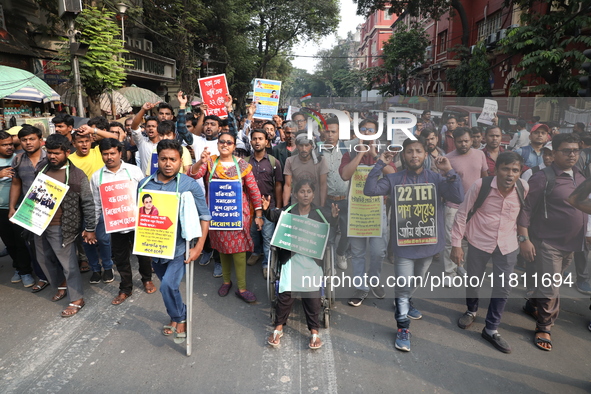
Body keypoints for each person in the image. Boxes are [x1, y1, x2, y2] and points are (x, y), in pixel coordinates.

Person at [364, 137, 463, 352]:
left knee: (415, 281)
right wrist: (380, 163)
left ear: (425, 155)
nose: (414, 155)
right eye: (409, 151)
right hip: (404, 246)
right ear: (403, 156)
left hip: (428, 245)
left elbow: (458, 196)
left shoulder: (437, 179)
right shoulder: (394, 179)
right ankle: (402, 327)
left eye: (418, 151)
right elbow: (370, 190)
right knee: (403, 284)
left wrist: (449, 171)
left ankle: (408, 301)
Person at [452, 152, 528, 353]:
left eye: (515, 170)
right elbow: (461, 214)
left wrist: (524, 238)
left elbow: (522, 216)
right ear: (496, 170)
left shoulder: (523, 188)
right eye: (505, 169)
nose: (510, 174)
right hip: (479, 240)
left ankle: (492, 328)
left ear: (520, 172)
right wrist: (456, 245)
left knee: (503, 288)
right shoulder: (481, 186)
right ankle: (471, 310)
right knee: (474, 280)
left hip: (508, 244)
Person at [518, 133, 586, 351]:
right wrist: (525, 239)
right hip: (548, 243)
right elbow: (526, 209)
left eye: (575, 150)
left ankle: (532, 305)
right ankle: (544, 326)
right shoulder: (543, 177)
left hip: (573, 244)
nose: (572, 154)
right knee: (551, 288)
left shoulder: (580, 175)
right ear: (554, 153)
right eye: (566, 150)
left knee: (546, 283)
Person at [140, 139, 210, 342]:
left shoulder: (189, 185)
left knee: (167, 287)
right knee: (169, 287)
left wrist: (199, 246)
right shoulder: (144, 185)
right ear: (157, 161)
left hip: (180, 248)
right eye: (163, 159)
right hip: (155, 248)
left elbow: (204, 216)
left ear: (180, 161)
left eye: (173, 159)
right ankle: (177, 314)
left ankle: (179, 317)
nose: (168, 164)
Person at [26, 133, 97, 317]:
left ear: (67, 152)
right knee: (43, 259)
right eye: (49, 152)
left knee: (69, 265)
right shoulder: (42, 168)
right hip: (39, 222)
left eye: (56, 153)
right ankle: (61, 284)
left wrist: (90, 228)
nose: (52, 156)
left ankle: (77, 299)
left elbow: (88, 203)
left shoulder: (76, 175)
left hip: (62, 226)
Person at [264, 179, 339, 349]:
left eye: (309, 192)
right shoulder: (288, 211)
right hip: (291, 260)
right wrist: (267, 209)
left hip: (311, 263)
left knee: (312, 300)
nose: (305, 195)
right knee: (285, 297)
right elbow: (273, 216)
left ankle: (314, 332)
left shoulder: (320, 213)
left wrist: (334, 217)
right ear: (295, 195)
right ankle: (278, 328)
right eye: (302, 192)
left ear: (313, 195)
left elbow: (331, 225)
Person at [189, 132, 263, 303]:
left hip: (238, 215)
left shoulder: (243, 165)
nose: (225, 144)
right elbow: (193, 175)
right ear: (218, 144)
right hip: (217, 215)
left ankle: (242, 288)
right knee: (222, 248)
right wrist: (200, 160)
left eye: (229, 142)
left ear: (233, 146)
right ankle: (226, 281)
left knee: (238, 250)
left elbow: (253, 190)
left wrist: (258, 214)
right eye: (222, 141)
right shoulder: (209, 163)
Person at [90, 138, 156, 304]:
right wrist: (91, 227)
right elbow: (96, 204)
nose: (109, 157)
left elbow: (145, 196)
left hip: (137, 222)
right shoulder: (97, 176)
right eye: (105, 154)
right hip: (114, 225)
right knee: (120, 258)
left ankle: (147, 279)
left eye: (113, 153)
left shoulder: (134, 171)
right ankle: (126, 288)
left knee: (143, 254)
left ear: (120, 153)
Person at [339, 118, 396, 306]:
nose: (367, 133)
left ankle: (374, 279)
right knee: (357, 252)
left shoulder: (385, 154)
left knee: (378, 251)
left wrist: (376, 157)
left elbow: (393, 176)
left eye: (370, 130)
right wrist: (360, 154)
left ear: (377, 134)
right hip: (356, 211)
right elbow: (346, 175)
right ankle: (361, 287)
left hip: (377, 211)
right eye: (363, 130)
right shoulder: (349, 153)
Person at [69, 130, 115, 285]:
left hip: (102, 204)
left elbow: (115, 138)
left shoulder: (97, 152)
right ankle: (95, 269)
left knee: (103, 239)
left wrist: (92, 130)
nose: (84, 144)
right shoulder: (69, 159)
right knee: (86, 240)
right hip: (81, 206)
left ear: (91, 141)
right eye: (80, 141)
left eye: (87, 140)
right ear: (73, 143)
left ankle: (108, 267)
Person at [443, 127, 488, 282]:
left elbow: (485, 177)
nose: (463, 144)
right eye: (460, 141)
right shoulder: (448, 159)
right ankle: (449, 273)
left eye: (466, 141)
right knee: (451, 240)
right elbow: (443, 183)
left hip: (474, 207)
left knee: (467, 240)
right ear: (454, 142)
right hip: (454, 206)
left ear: (472, 140)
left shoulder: (480, 154)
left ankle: (460, 266)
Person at [8, 124, 51, 291]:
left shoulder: (51, 157)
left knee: (56, 245)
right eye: (24, 140)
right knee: (34, 246)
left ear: (40, 140)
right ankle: (42, 276)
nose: (28, 143)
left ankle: (61, 276)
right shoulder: (17, 159)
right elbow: (16, 183)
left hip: (51, 209)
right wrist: (12, 207)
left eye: (32, 139)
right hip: (29, 210)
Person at [246, 129, 283, 278]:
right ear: (251, 142)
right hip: (250, 207)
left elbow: (278, 186)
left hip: (269, 206)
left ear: (266, 142)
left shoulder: (274, 162)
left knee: (268, 236)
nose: (257, 141)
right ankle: (256, 252)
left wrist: (278, 207)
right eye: (254, 139)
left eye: (260, 138)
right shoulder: (245, 162)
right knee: (253, 232)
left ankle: (267, 264)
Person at [0, 130, 34, 287]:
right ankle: (18, 268)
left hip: (20, 207)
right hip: (1, 210)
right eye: (4, 145)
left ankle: (26, 271)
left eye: (10, 144)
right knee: (9, 242)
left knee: (21, 241)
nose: (9, 147)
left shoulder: (19, 159)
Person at [320, 117, 350, 270]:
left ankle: (340, 253)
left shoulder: (348, 149)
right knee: (329, 235)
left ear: (339, 132)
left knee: (347, 233)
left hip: (345, 200)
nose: (330, 134)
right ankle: (329, 264)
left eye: (334, 131)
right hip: (327, 201)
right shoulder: (318, 151)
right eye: (328, 131)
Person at [283, 134, 328, 207]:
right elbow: (288, 185)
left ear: (312, 146)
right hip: (297, 205)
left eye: (307, 145)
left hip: (315, 205)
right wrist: (285, 207)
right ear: (297, 146)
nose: (304, 149)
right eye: (301, 145)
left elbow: (323, 185)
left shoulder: (320, 161)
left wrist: (322, 206)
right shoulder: (290, 161)